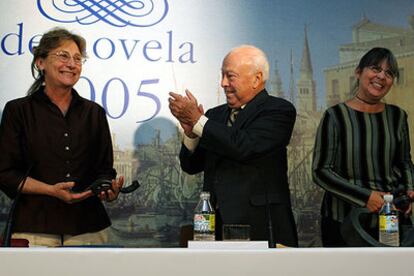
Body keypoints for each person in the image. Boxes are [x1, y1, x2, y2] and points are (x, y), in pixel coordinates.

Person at [0, 27, 124, 247]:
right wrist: (50, 190)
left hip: (88, 228)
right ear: (40, 63)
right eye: (63, 56)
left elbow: (104, 170)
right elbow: (5, 173)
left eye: (78, 58)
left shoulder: (94, 113)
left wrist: (108, 190)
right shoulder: (17, 110)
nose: (72, 64)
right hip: (34, 228)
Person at [169, 45, 298, 247]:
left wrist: (198, 121)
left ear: (257, 79)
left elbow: (244, 146)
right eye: (222, 76)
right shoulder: (214, 116)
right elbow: (191, 165)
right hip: (213, 227)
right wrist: (191, 132)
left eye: (230, 76)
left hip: (261, 226)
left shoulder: (278, 111)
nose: (223, 83)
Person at [312, 47, 414, 247]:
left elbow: (404, 161)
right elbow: (320, 171)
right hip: (343, 221)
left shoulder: (397, 116)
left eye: (389, 73)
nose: (382, 76)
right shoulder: (335, 116)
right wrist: (366, 197)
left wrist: (410, 188)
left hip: (390, 220)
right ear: (358, 72)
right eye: (375, 68)